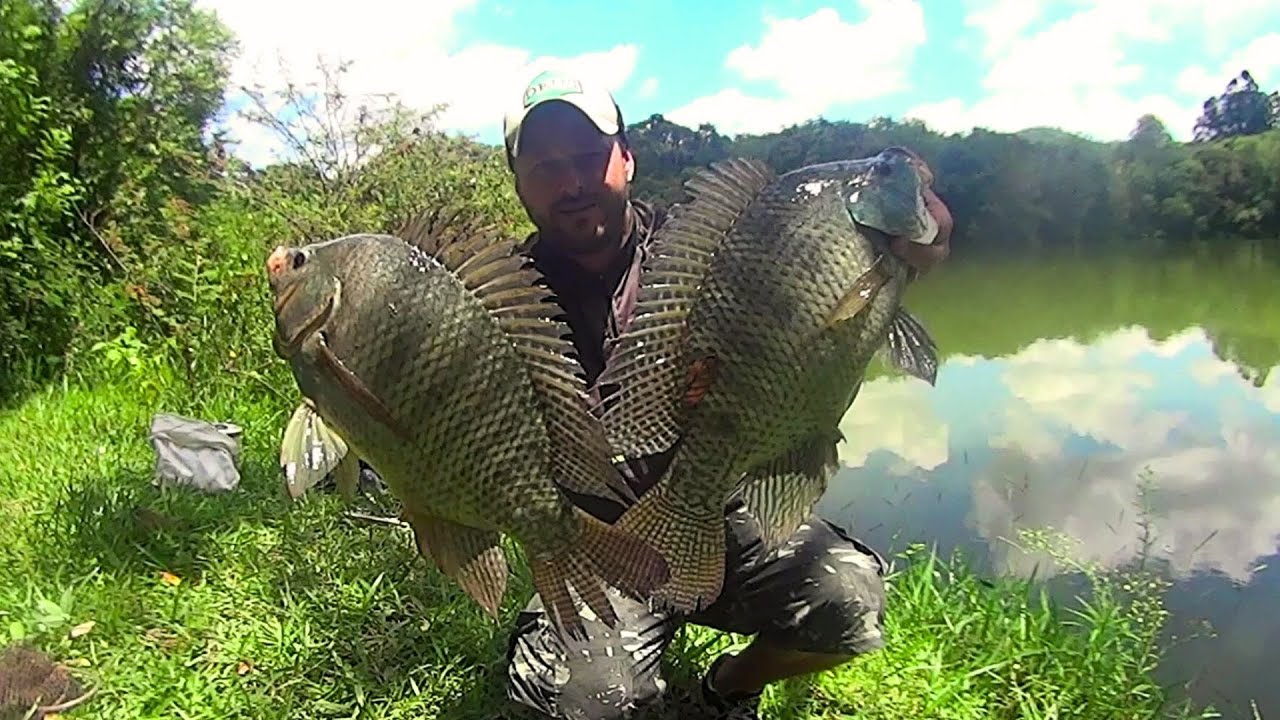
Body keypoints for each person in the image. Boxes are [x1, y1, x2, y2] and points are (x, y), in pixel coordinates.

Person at [498, 70, 954, 720]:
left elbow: (852, 287)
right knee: (580, 706)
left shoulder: (711, 248)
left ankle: (730, 686)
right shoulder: (502, 302)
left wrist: (920, 246)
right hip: (597, 543)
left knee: (848, 600)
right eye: (544, 166)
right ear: (515, 177)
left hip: (718, 508)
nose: (570, 183)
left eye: (587, 157)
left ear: (626, 157)